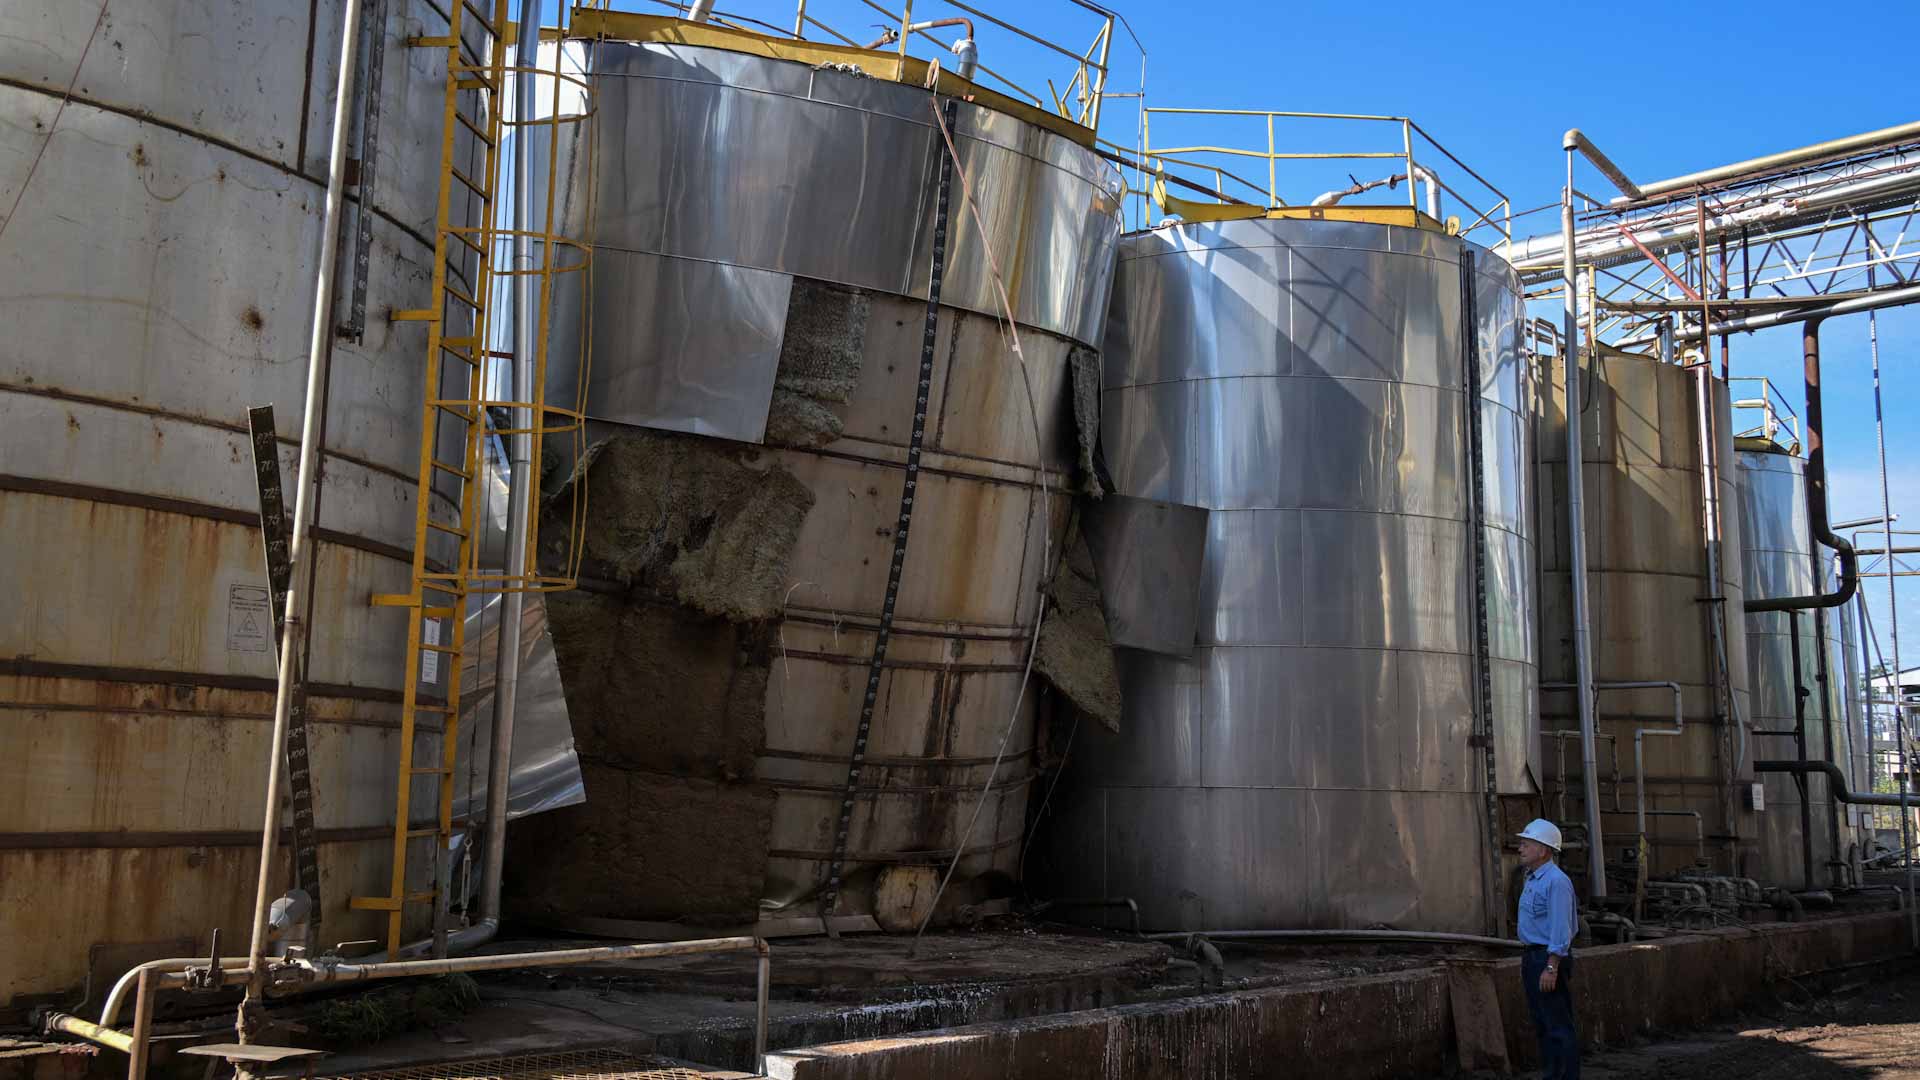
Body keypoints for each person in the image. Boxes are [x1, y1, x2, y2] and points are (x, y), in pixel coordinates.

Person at [1516, 818, 1579, 1079]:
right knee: (1543, 1023)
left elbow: (1560, 928)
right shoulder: (1533, 878)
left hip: (1547, 958)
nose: (1520, 848)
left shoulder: (1556, 882)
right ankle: (1553, 1074)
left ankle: (1565, 1076)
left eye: (1526, 843)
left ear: (1543, 849)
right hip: (1533, 957)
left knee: (1557, 1025)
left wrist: (1551, 966)